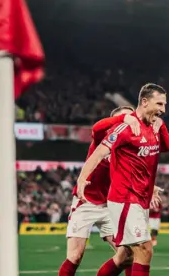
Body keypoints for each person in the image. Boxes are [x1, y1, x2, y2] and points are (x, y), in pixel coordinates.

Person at [77, 83, 169, 276]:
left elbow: (166, 148)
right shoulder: (124, 129)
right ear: (144, 102)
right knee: (145, 250)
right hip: (125, 199)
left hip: (140, 199)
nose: (163, 110)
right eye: (159, 104)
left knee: (124, 257)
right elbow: (98, 153)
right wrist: (81, 180)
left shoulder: (152, 126)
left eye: (164, 105)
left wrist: (161, 127)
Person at [59, 106, 139, 276]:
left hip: (110, 205)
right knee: (75, 256)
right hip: (86, 201)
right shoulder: (103, 138)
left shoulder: (129, 146)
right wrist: (123, 119)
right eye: (123, 117)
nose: (128, 120)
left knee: (128, 255)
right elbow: (96, 127)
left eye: (130, 117)